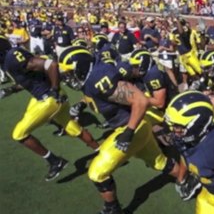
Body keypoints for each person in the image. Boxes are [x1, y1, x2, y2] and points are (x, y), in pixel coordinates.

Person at [58, 47, 198, 213]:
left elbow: (140, 101)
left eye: (70, 72)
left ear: (81, 67)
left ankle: (113, 209)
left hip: (132, 126)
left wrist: (128, 132)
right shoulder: (92, 77)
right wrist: (81, 104)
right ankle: (190, 179)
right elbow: (95, 95)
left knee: (97, 172)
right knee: (159, 162)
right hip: (138, 125)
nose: (68, 78)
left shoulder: (98, 77)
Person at [0, 38, 99, 182]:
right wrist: (11, 89)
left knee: (19, 134)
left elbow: (50, 64)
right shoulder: (10, 59)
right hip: (51, 97)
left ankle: (55, 161)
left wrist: (54, 89)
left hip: (49, 99)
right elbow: (28, 81)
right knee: (72, 128)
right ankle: (99, 150)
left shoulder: (12, 57)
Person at [164, 91, 214, 214]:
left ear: (196, 125)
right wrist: (181, 178)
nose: (173, 130)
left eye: (177, 126)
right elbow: (184, 153)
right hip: (207, 191)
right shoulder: (186, 137)